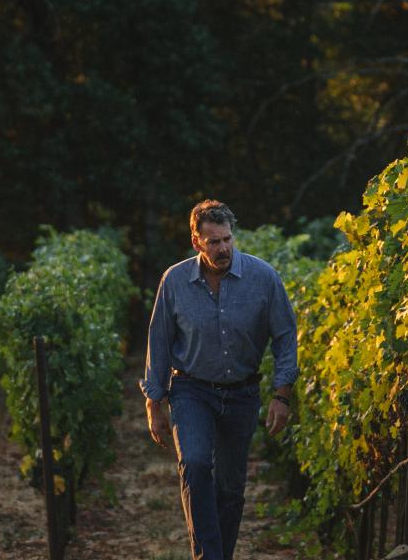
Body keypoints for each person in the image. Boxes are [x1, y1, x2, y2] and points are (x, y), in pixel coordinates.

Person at [140, 199, 298, 560]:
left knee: (230, 487)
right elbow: (159, 341)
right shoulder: (175, 281)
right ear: (196, 241)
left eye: (227, 239)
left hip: (242, 393)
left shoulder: (263, 278)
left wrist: (282, 394)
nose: (223, 248)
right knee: (195, 464)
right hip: (191, 390)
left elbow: (285, 336)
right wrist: (154, 402)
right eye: (213, 242)